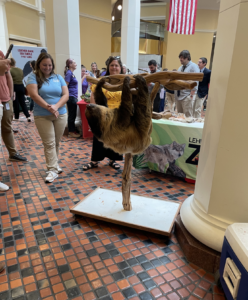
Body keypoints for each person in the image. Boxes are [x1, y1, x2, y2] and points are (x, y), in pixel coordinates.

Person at [26, 53, 69, 183]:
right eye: (44, 64)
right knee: (49, 143)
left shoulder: (58, 77)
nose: (47, 67)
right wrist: (49, 107)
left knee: (56, 142)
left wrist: (55, 107)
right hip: (42, 115)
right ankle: (52, 170)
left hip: (60, 113)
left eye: (50, 65)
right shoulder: (33, 77)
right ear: (39, 64)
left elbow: (66, 95)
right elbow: (33, 95)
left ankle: (54, 165)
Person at [83, 56, 124, 171]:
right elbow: (93, 93)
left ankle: (113, 160)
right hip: (103, 114)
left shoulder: (124, 81)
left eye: (116, 65)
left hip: (117, 114)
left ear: (120, 67)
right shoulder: (103, 80)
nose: (114, 67)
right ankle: (95, 161)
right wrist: (93, 110)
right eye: (112, 65)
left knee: (115, 138)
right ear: (108, 67)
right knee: (99, 137)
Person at [0, 51, 27, 163]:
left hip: (5, 99)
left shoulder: (1, 54)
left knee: (7, 127)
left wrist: (10, 95)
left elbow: (8, 76)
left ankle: (13, 153)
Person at [175, 50, 200, 117]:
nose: (180, 59)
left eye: (182, 57)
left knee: (188, 117)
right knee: (180, 116)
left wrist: (191, 95)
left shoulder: (194, 66)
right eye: (180, 57)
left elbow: (195, 81)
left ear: (187, 57)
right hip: (179, 96)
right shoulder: (180, 68)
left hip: (187, 96)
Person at [64, 59, 80, 138]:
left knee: (73, 114)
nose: (76, 64)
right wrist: (66, 96)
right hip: (71, 97)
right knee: (72, 115)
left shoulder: (71, 73)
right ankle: (71, 132)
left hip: (73, 97)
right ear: (70, 65)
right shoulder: (69, 73)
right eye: (74, 63)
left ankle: (72, 130)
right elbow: (65, 86)